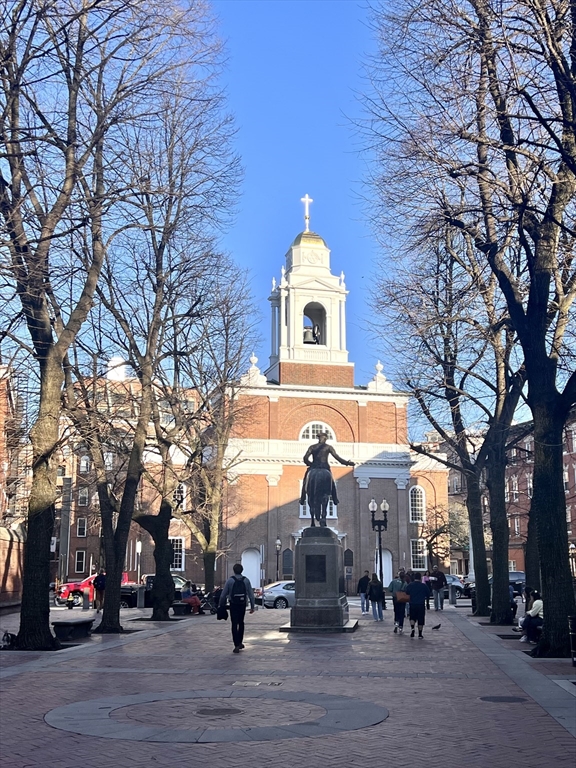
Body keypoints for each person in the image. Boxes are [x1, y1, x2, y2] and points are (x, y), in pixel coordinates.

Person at [299, 432, 354, 506]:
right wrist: (347, 463)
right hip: (325, 467)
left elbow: (305, 458)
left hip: (314, 467)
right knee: (331, 482)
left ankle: (302, 498)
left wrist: (311, 464)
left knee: (306, 481)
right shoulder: (328, 447)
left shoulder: (312, 447)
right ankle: (335, 498)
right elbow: (337, 458)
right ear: (325, 439)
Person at [219, 563, 255, 653]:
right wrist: (252, 606)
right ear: (242, 570)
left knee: (234, 623)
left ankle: (236, 645)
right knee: (241, 622)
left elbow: (223, 595)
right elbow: (251, 594)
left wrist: (221, 605)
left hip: (233, 604)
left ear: (234, 570)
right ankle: (240, 642)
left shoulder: (230, 580)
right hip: (242, 604)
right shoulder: (246, 580)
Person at [405, 572, 430, 638]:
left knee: (412, 617)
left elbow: (406, 592)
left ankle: (412, 629)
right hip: (421, 604)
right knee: (420, 619)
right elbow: (428, 594)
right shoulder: (423, 586)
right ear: (420, 578)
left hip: (412, 604)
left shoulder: (410, 585)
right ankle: (420, 634)